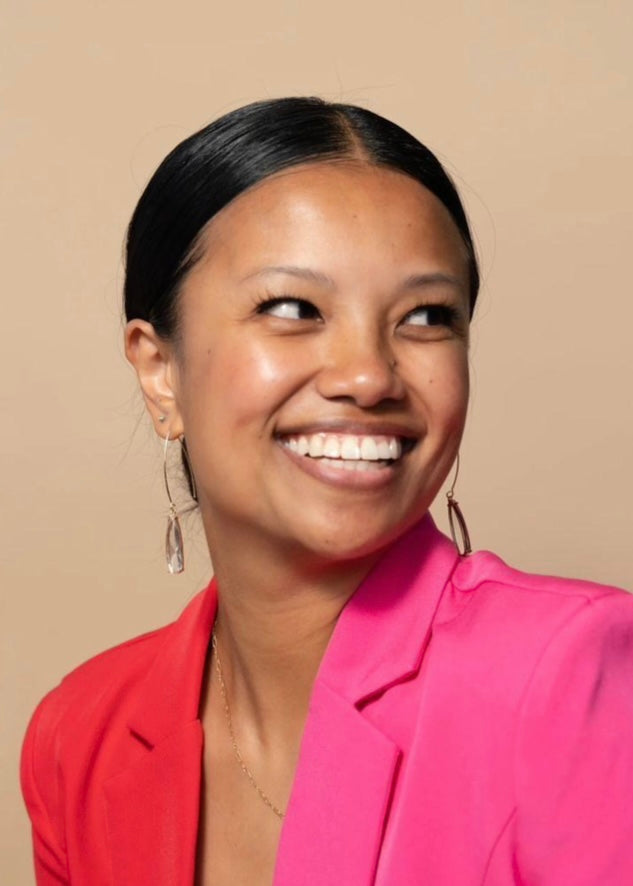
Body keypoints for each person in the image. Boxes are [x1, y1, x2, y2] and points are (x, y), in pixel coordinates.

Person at [21, 97, 633, 886]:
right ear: (158, 369)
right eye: (291, 308)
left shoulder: (569, 677)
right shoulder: (80, 735)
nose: (369, 375)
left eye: (425, 316)